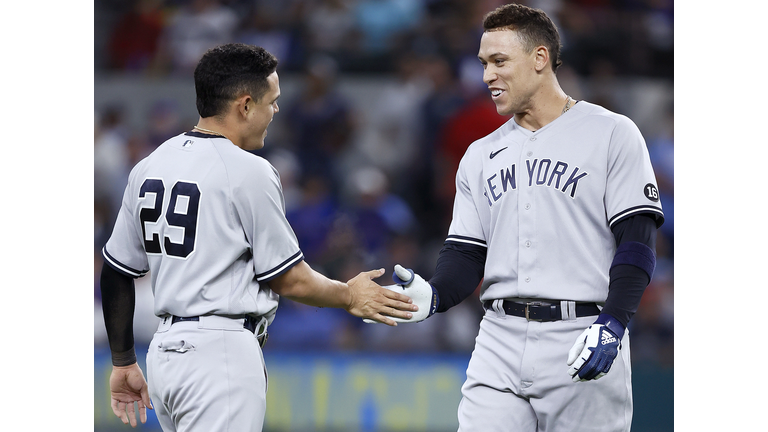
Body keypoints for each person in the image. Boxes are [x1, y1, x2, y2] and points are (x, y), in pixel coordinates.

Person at [373, 4, 664, 431]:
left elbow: (637, 243)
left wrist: (614, 321)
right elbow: (466, 254)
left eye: (499, 61)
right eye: (483, 63)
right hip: (498, 338)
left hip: (582, 333)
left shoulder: (611, 133)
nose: (487, 75)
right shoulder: (480, 154)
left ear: (540, 59)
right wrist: (434, 295)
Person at [98, 43, 418, 431]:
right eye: (272, 101)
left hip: (164, 357)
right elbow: (288, 277)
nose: (276, 111)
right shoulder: (249, 170)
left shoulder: (151, 164)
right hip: (220, 355)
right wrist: (349, 295)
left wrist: (122, 360)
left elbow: (116, 271)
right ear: (245, 105)